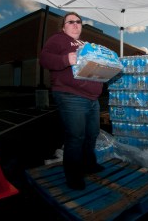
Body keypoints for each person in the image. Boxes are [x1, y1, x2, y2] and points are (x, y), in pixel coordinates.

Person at [40, 12, 104, 190]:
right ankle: (74, 176)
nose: (75, 24)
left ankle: (89, 164)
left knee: (92, 134)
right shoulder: (58, 39)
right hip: (71, 95)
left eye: (78, 21)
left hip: (92, 97)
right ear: (63, 26)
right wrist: (65, 59)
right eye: (71, 22)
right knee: (76, 137)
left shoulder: (85, 44)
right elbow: (44, 58)